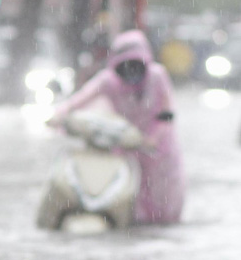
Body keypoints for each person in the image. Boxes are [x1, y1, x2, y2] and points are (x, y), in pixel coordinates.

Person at [49, 29, 185, 224]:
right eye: (125, 65)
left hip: (160, 149)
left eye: (136, 65)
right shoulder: (108, 81)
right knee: (127, 196)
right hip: (126, 146)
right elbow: (79, 100)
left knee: (163, 201)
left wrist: (153, 138)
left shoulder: (157, 76)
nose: (131, 71)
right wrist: (58, 115)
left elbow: (167, 112)